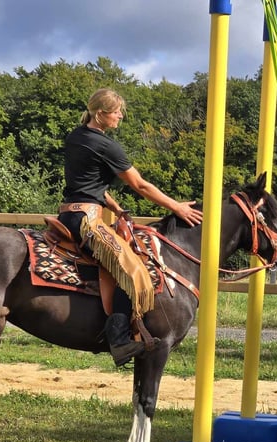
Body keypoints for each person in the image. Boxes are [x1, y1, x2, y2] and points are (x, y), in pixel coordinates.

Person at [58, 88, 203, 366]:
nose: (120, 116)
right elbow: (140, 185)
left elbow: (88, 185)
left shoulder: (75, 137)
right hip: (87, 221)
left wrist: (114, 208)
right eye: (116, 112)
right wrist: (177, 207)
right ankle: (120, 338)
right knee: (133, 270)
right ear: (100, 114)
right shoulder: (105, 145)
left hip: (69, 214)